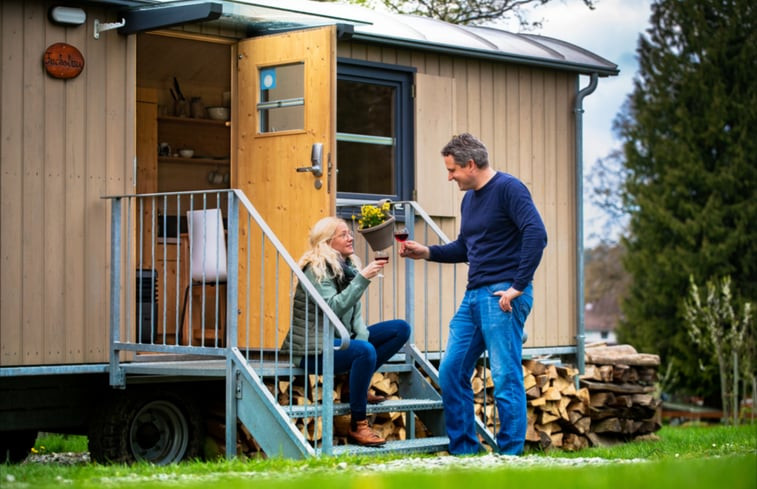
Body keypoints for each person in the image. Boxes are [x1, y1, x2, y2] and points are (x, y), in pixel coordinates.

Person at [399, 133, 547, 455]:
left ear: (470, 164)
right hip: (474, 297)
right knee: (452, 370)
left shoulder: (509, 189)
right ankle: (465, 452)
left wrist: (517, 287)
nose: (449, 177)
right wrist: (426, 251)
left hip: (503, 296)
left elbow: (537, 233)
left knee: (506, 375)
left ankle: (510, 455)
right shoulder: (469, 200)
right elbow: (465, 247)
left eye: (452, 170)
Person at [282, 216, 411, 447]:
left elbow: (355, 314)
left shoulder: (347, 266)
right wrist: (362, 280)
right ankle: (358, 425)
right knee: (363, 351)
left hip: (337, 343)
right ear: (328, 241)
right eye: (344, 234)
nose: (351, 238)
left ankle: (354, 389)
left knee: (400, 329)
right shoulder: (317, 269)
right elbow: (332, 308)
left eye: (349, 233)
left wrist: (362, 340)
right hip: (314, 350)